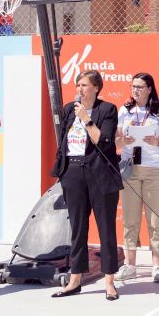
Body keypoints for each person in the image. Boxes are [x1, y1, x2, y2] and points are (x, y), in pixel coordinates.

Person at [49, 69, 121, 300]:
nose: (79, 89)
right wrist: (63, 170)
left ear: (96, 88)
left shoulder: (107, 110)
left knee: (106, 228)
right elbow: (63, 140)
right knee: (77, 228)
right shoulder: (69, 109)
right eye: (78, 85)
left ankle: (109, 282)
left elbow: (104, 141)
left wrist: (86, 119)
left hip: (99, 174)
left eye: (84, 85)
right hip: (73, 172)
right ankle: (75, 280)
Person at [116, 72, 159, 285]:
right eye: (133, 86)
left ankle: (156, 266)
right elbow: (116, 141)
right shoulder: (125, 110)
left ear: (149, 89)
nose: (135, 90)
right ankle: (130, 265)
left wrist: (158, 142)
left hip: (154, 170)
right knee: (130, 219)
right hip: (130, 169)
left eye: (140, 87)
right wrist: (124, 140)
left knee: (155, 219)